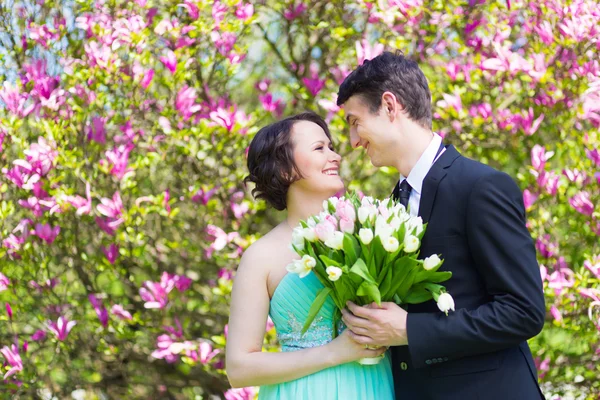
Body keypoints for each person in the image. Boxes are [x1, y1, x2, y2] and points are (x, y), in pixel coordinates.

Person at [336, 51, 546, 400]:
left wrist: (409, 329)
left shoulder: (479, 187)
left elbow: (523, 311)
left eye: (354, 121)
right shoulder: (393, 204)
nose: (354, 140)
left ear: (390, 107)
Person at [225, 112, 395, 399]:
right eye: (320, 148)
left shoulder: (370, 234)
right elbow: (240, 367)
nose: (336, 156)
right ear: (284, 170)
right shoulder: (261, 256)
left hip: (376, 386)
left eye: (331, 147)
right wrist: (333, 353)